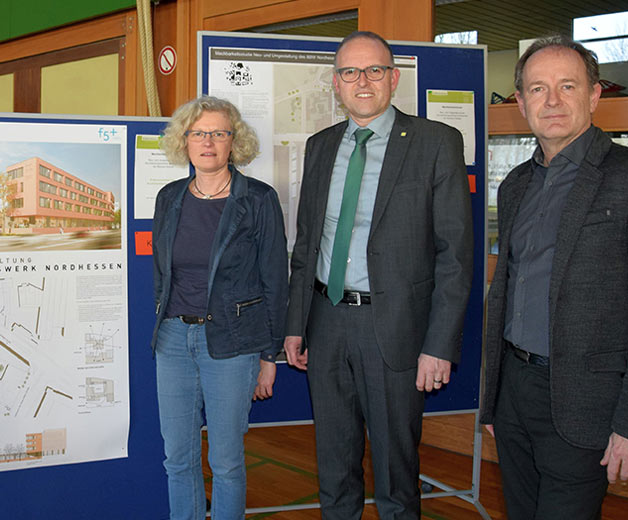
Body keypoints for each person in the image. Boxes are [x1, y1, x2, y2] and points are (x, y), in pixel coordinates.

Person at [479, 35, 628, 519]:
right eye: (537, 88)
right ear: (521, 103)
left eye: (567, 86)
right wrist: (494, 400)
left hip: (586, 403)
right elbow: (509, 291)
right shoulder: (516, 185)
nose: (552, 101)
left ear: (593, 96)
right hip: (515, 396)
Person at [283, 31, 473, 519]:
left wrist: (439, 344)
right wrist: (295, 324)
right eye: (350, 72)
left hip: (397, 330)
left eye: (373, 71)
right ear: (336, 84)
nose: (361, 81)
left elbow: (455, 255)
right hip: (326, 323)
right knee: (334, 464)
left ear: (393, 79)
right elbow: (307, 244)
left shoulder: (436, 142)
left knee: (395, 472)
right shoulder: (320, 146)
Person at [151, 95, 288, 519]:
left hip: (231, 344)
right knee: (178, 459)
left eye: (219, 133)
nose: (208, 142)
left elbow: (275, 281)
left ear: (234, 141)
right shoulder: (169, 197)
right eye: (198, 133)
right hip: (173, 339)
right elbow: (161, 274)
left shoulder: (258, 199)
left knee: (226, 463)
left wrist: (270, 355)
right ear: (184, 141)